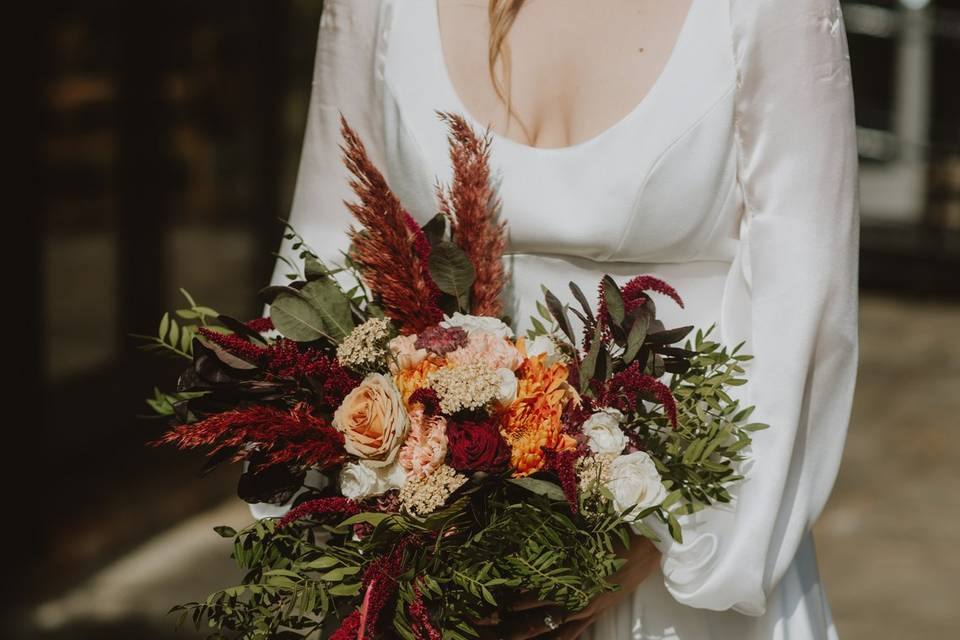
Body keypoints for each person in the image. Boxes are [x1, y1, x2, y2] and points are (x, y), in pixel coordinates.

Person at [264, 1, 860, 638]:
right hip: (434, 571)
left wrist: (675, 532)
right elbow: (327, 257)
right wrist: (381, 503)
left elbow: (804, 306)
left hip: (679, 575)